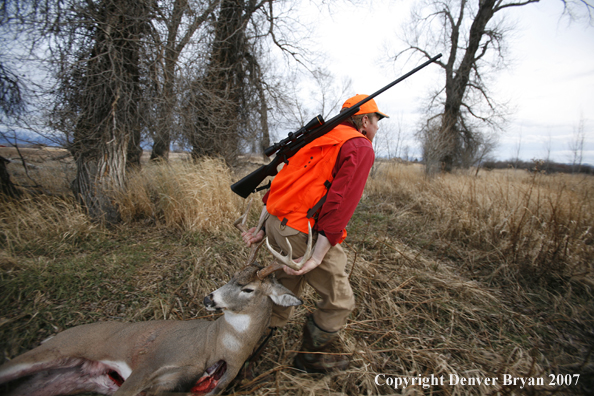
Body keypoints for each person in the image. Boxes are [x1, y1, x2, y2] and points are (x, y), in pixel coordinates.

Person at [242, 94, 388, 374]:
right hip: (302, 234)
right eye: (377, 121)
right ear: (365, 120)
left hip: (278, 222)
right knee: (340, 300)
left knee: (282, 292)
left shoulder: (320, 136)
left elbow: (284, 180)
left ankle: (240, 359)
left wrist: (263, 226)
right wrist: (319, 255)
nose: (378, 129)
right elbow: (340, 204)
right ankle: (309, 360)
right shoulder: (359, 146)